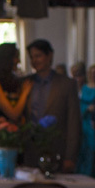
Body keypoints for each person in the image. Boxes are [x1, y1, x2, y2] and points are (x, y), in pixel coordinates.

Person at [24, 39, 81, 172]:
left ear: (49, 56)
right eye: (32, 57)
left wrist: (70, 157)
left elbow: (73, 122)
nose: (35, 61)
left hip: (56, 149)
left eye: (38, 56)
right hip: (29, 150)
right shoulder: (26, 83)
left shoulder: (66, 84)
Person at [0, 42, 30, 132]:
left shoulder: (14, 81)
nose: (18, 61)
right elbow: (13, 114)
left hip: (14, 134)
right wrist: (25, 93)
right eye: (16, 57)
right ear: (7, 59)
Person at [78, 64, 95, 176]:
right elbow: (80, 103)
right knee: (83, 147)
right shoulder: (84, 88)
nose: (93, 75)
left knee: (93, 147)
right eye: (92, 73)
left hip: (93, 121)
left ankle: (92, 172)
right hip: (84, 120)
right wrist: (86, 109)